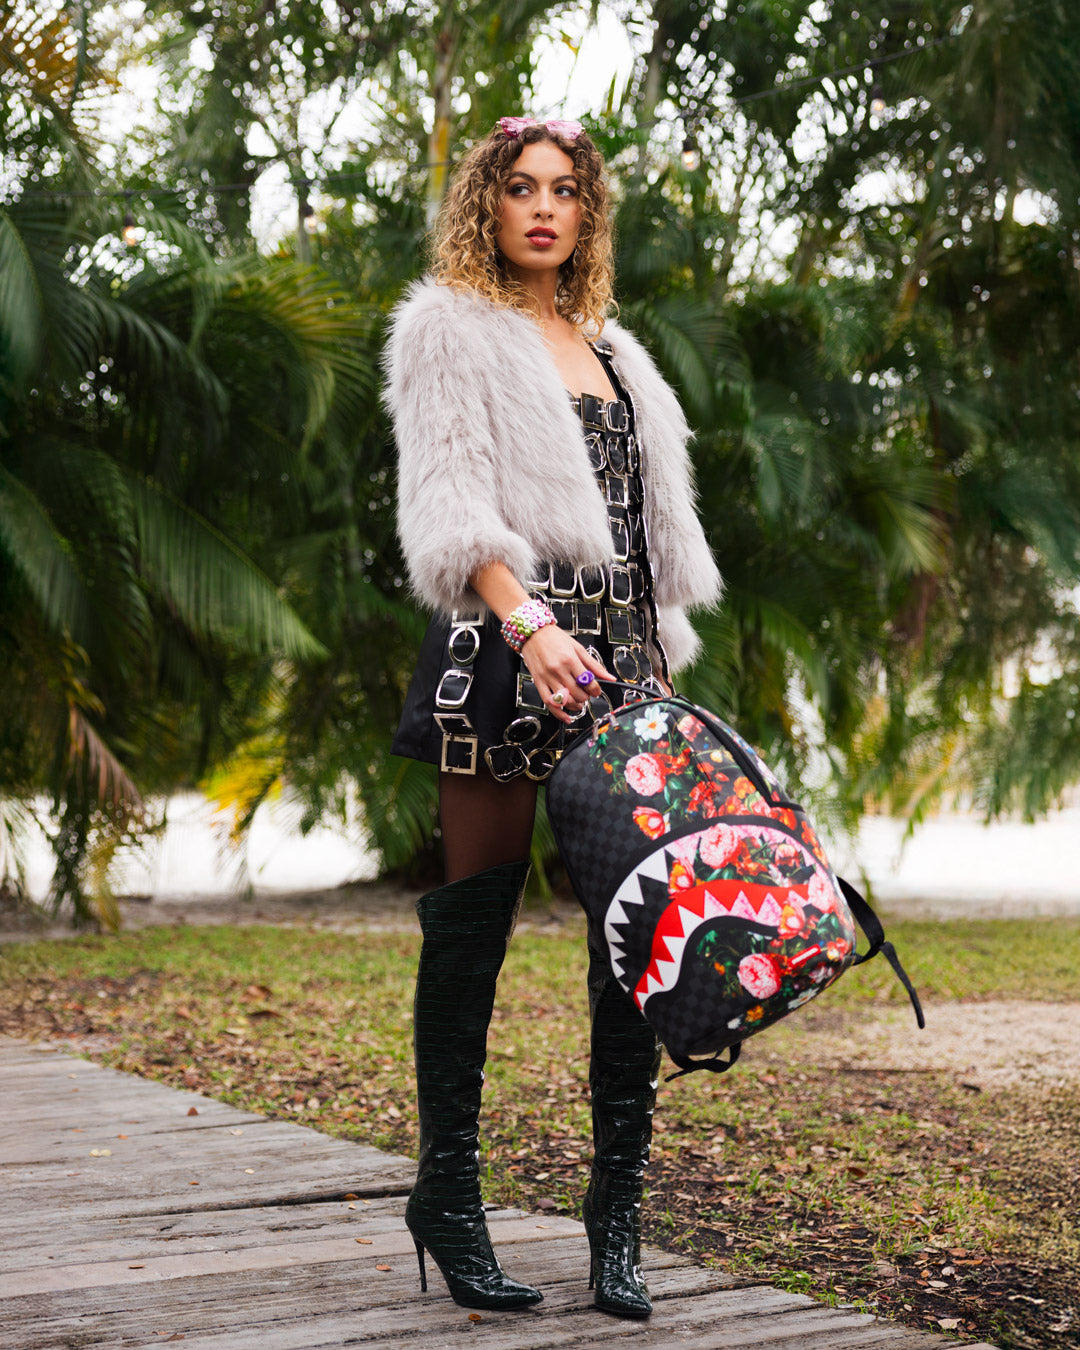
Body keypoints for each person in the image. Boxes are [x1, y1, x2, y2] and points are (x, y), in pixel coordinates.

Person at [383, 115, 721, 1318]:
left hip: (624, 662)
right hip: (504, 646)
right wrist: (530, 627)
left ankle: (616, 1220)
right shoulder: (448, 329)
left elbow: (641, 535)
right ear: (487, 202)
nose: (542, 207)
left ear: (588, 213)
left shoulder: (618, 353)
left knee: (635, 939)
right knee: (471, 930)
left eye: (565, 190)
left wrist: (653, 665)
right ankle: (447, 1197)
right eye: (520, 186)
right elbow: (449, 499)